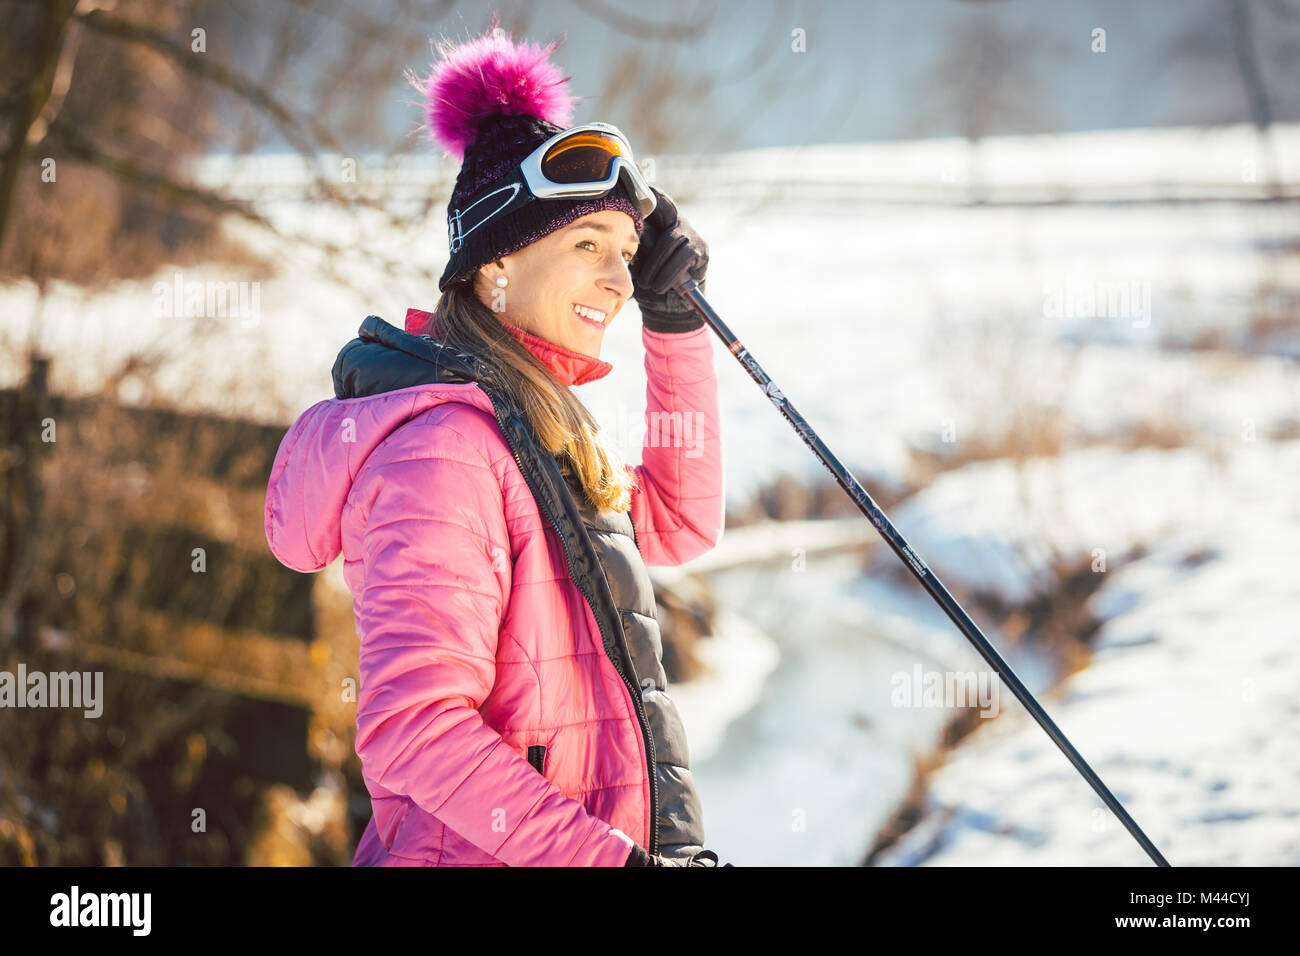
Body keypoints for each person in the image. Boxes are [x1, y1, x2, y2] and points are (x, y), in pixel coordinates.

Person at [263, 21, 730, 866]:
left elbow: (678, 521)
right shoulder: (443, 452)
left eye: (627, 253)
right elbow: (415, 729)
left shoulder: (537, 435)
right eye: (588, 245)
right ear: (493, 267)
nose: (620, 280)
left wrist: (676, 326)